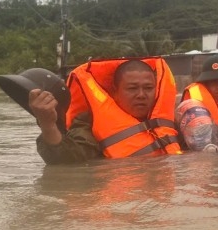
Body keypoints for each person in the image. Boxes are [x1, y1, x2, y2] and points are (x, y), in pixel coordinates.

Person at [29, 57, 182, 164]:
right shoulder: (89, 122)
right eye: (132, 88)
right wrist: (48, 125)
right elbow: (67, 161)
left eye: (148, 88)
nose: (141, 95)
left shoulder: (173, 119)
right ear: (115, 92)